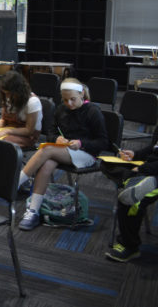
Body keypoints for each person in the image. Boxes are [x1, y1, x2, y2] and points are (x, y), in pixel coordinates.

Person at [15, 78, 108, 231]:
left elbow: (103, 142)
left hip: (86, 154)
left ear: (82, 94)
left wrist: (81, 143)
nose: (69, 104)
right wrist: (56, 138)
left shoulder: (93, 111)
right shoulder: (60, 109)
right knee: (45, 165)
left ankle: (15, 182)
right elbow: (51, 132)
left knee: (47, 150)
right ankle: (33, 211)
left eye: (73, 99)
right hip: (63, 151)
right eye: (65, 100)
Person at [105, 141, 158, 262]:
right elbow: (154, 148)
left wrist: (142, 168)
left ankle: (130, 247)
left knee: (131, 200)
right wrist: (134, 154)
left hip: (153, 173)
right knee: (107, 164)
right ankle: (131, 180)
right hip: (148, 167)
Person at [0, 70, 42, 149]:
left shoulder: (32, 102)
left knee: (0, 143)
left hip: (28, 136)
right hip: (10, 129)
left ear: (18, 91)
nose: (7, 97)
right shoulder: (7, 97)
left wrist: (6, 131)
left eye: (9, 94)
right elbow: (4, 120)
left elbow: (29, 130)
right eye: (5, 93)